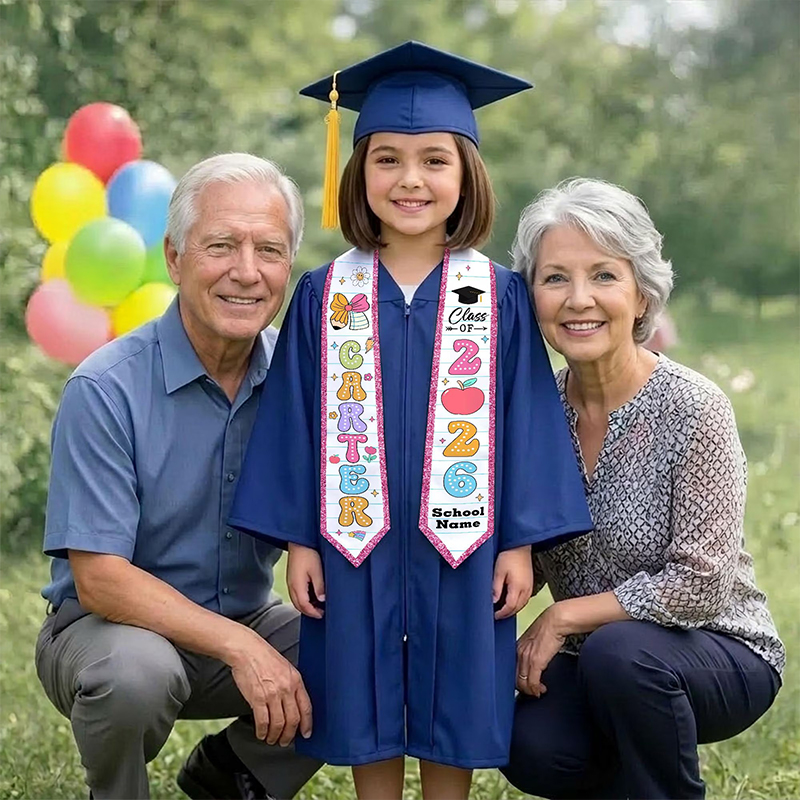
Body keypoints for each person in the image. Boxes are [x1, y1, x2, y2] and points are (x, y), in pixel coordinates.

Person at [229, 42, 592, 800]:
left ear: (467, 176)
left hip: (467, 538)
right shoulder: (324, 294)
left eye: (435, 160)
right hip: (349, 534)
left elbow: (528, 419)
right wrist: (300, 538)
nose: (411, 180)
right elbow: (294, 421)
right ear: (358, 171)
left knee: (456, 679)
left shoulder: (498, 297)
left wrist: (521, 544)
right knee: (360, 682)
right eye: (387, 159)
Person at [34, 153, 321, 800]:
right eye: (221, 245)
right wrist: (242, 650)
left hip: (246, 619)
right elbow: (100, 579)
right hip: (106, 635)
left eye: (269, 250)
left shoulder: (306, 381)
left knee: (372, 640)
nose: (247, 272)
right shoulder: (105, 388)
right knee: (138, 672)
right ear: (173, 257)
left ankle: (233, 777)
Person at [502, 177, 785, 799]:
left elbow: (701, 584)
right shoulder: (530, 412)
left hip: (718, 646)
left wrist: (565, 617)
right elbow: (527, 555)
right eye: (555, 279)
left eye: (604, 275)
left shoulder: (692, 406)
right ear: (530, 296)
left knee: (623, 654)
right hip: (594, 660)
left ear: (642, 292)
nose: (579, 300)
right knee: (527, 739)